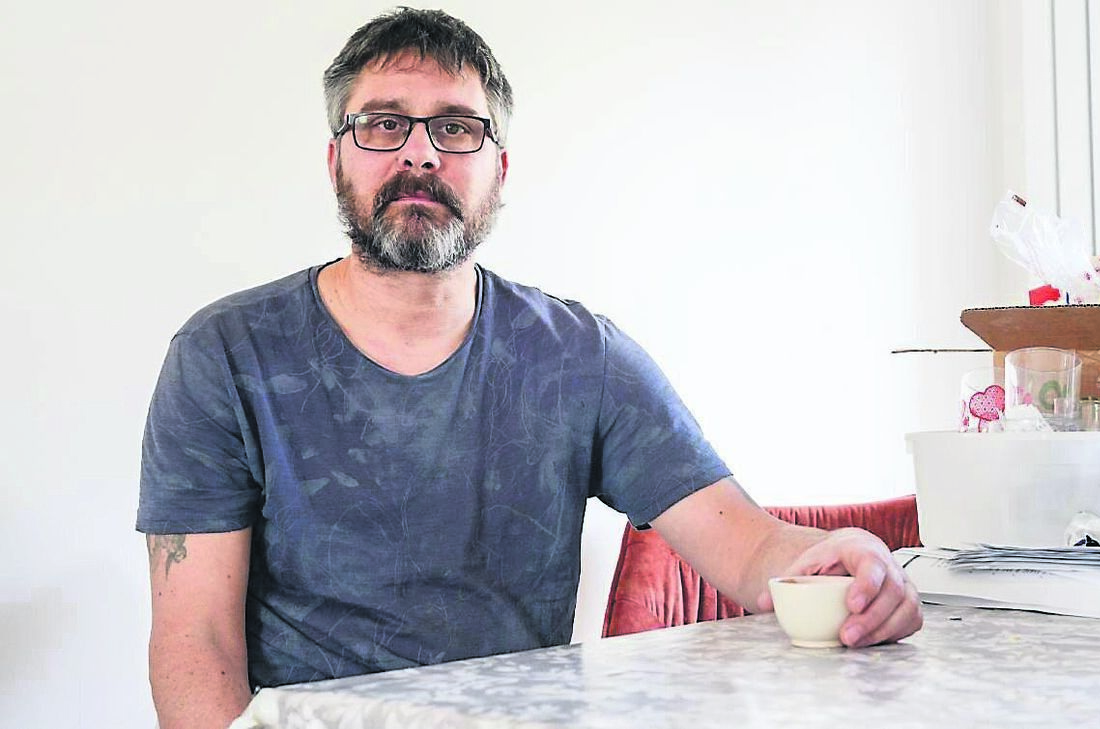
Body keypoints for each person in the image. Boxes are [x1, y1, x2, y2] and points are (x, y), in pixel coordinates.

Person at [137, 7, 923, 728]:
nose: (419, 152)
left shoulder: (581, 356)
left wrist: (845, 560)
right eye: (382, 124)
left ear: (500, 170)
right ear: (336, 159)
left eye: (455, 128)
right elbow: (195, 642)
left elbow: (751, 553)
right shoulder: (224, 357)